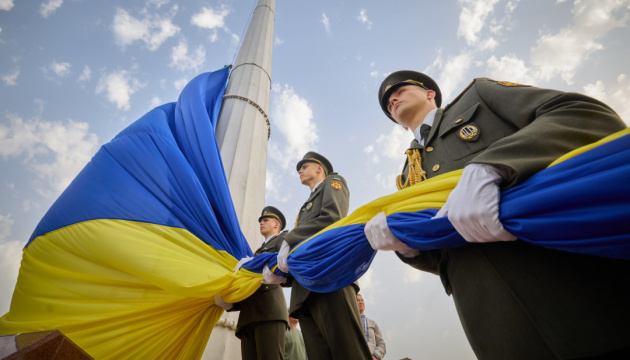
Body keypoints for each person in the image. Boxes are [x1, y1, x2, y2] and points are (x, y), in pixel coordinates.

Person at [364, 70, 630, 360]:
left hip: (575, 292)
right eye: (388, 102)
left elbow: (580, 113)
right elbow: (442, 258)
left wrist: (495, 164)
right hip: (497, 328)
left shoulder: (477, 97)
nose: (392, 98)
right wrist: (408, 247)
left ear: (430, 93)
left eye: (400, 89)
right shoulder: (407, 178)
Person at [277, 151, 372, 360]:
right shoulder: (304, 207)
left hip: (331, 277)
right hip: (304, 289)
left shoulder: (333, 182)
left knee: (349, 352)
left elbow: (332, 217)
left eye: (304, 166)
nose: (300, 170)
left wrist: (289, 239)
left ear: (319, 168)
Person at [224, 206, 289, 360]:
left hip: (269, 311)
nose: (261, 223)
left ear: (276, 224)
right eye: (260, 221)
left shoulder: (283, 240)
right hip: (248, 315)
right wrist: (230, 302)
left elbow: (284, 264)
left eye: (265, 220)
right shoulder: (253, 255)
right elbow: (248, 285)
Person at [357, 294, 386, 360]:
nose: (361, 302)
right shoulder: (350, 324)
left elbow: (381, 344)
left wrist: (375, 356)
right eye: (358, 300)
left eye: (362, 300)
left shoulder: (372, 323)